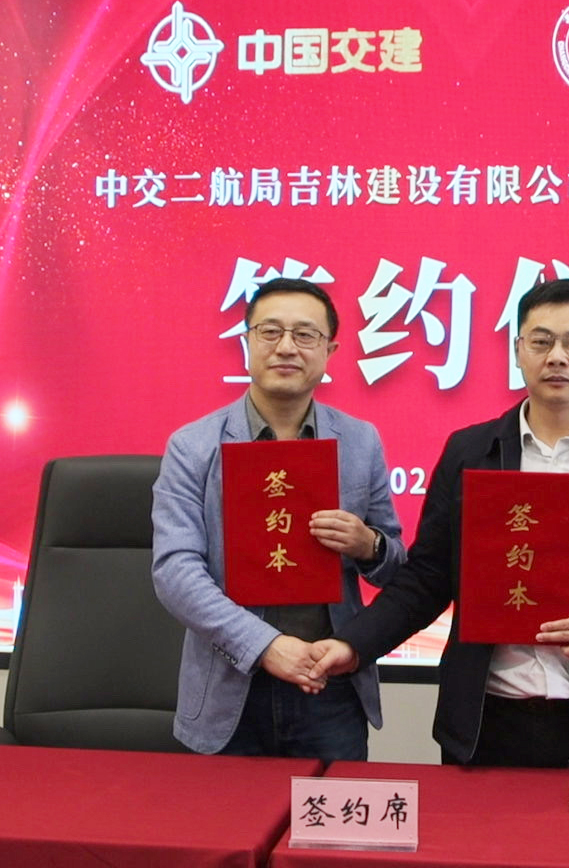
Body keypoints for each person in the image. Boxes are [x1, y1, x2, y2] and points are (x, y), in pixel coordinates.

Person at [309, 278, 569, 769]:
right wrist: (353, 645)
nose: (557, 357)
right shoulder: (471, 452)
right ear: (518, 350)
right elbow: (427, 578)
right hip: (485, 722)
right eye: (541, 341)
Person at [151, 277, 405, 759]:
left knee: (327, 811)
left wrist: (367, 545)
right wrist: (266, 646)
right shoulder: (193, 446)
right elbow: (175, 573)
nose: (286, 347)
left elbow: (396, 565)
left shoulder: (360, 441)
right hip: (229, 687)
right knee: (224, 811)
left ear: (329, 351)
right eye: (270, 332)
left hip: (329, 685)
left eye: (305, 335)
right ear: (246, 342)